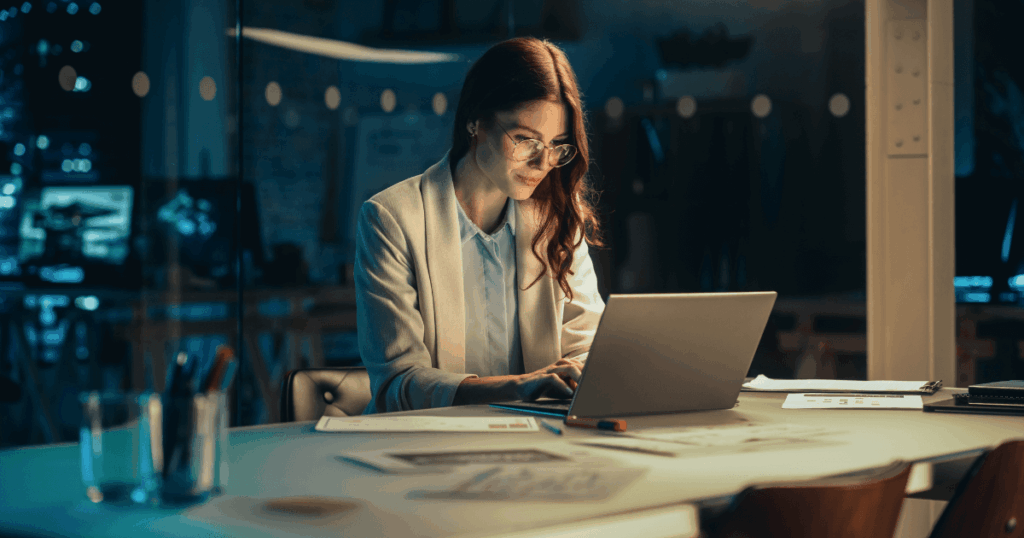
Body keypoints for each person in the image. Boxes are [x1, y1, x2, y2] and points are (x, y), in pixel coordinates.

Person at [354, 37, 605, 413]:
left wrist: (587, 369)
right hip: (426, 448)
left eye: (557, 145)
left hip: (536, 444)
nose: (543, 163)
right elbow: (399, 383)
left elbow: (591, 348)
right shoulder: (391, 220)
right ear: (475, 121)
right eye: (526, 140)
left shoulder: (557, 222)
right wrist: (516, 388)